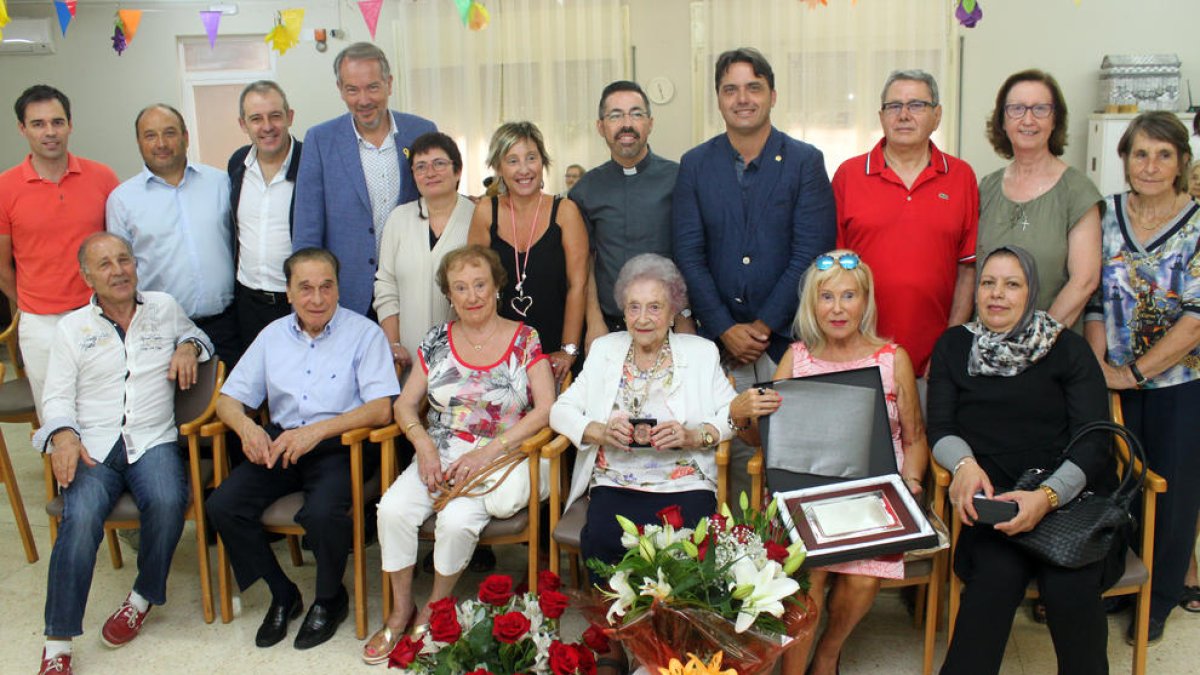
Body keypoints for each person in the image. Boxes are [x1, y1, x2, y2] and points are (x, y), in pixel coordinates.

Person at [550, 253, 741, 675]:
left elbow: (732, 416)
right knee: (599, 539)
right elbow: (560, 411)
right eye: (634, 307)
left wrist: (694, 435)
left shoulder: (701, 352)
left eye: (655, 307)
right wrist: (598, 430)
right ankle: (615, 647)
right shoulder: (603, 351)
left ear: (673, 310)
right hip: (616, 479)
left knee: (685, 551)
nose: (643, 317)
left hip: (683, 482)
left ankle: (663, 648)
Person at [739, 249, 929, 675]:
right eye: (827, 297)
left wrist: (912, 480)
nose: (838, 308)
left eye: (849, 296)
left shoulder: (892, 359)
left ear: (865, 302)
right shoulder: (798, 358)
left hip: (872, 498)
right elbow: (764, 438)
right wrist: (744, 415)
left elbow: (915, 438)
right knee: (811, 577)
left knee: (862, 578)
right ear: (813, 305)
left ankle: (828, 653)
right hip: (807, 497)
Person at [363, 245, 554, 664]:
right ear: (449, 294)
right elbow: (403, 405)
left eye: (480, 285)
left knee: (455, 521)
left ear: (497, 286)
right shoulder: (435, 340)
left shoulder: (525, 338)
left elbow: (544, 409)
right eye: (460, 288)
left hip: (499, 456)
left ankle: (435, 611)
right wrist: (425, 447)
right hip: (440, 452)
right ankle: (400, 612)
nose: (472, 296)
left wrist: (487, 453)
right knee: (391, 510)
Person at [33, 232, 212, 675]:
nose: (118, 271)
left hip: (152, 439)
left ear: (135, 265)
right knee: (80, 520)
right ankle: (57, 644)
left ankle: (141, 598)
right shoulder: (72, 329)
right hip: (93, 446)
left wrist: (189, 346)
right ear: (87, 276)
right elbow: (55, 398)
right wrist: (64, 436)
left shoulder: (164, 308)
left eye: (124, 260)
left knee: (170, 501)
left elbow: (200, 337)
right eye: (106, 264)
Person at [930, 246, 1113, 675]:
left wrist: (1047, 497)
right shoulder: (954, 347)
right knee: (994, 581)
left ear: (1031, 292)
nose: (998, 294)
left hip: (1069, 503)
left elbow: (1095, 441)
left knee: (1070, 587)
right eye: (989, 283)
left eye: (1012, 284)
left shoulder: (1067, 349)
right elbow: (939, 427)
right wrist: (964, 466)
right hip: (995, 506)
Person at [205, 248, 398, 651]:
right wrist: (245, 428)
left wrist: (318, 432)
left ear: (338, 289)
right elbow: (228, 399)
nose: (317, 298)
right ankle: (282, 593)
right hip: (281, 441)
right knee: (223, 504)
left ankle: (330, 599)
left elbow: (381, 409)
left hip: (341, 444)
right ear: (289, 293)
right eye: (305, 288)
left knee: (321, 512)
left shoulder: (364, 333)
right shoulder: (272, 335)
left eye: (326, 287)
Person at [672, 46, 836, 501]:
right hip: (719, 345)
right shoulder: (696, 165)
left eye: (753, 87)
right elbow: (688, 253)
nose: (742, 98)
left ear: (772, 95)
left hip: (789, 339)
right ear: (719, 100)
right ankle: (740, 554)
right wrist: (725, 328)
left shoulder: (805, 162)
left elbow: (811, 252)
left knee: (792, 455)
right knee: (733, 455)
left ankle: (794, 559)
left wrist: (761, 326)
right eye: (730, 89)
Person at [1083, 111, 1200, 644]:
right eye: (1139, 154)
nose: (1150, 166)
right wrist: (1101, 372)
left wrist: (1132, 374)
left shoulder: (1197, 224)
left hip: (1178, 386)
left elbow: (1196, 320)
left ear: (1181, 163)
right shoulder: (1104, 215)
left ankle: (1159, 600)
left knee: (1172, 496)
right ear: (1124, 159)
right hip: (1111, 379)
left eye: (1163, 155)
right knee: (1117, 485)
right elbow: (1091, 299)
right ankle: (1120, 581)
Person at [833, 70, 977, 376]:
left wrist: (949, 345)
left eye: (917, 105)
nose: (904, 115)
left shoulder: (962, 176)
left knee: (926, 426)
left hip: (934, 360)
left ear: (937, 115)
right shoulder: (849, 175)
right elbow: (834, 273)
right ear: (881, 116)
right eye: (894, 106)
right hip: (860, 354)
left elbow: (967, 269)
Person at [0, 85, 119, 421]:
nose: (49, 132)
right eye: (38, 124)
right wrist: (30, 300)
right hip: (41, 325)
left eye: (57, 121)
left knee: (106, 411)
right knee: (58, 417)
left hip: (99, 314)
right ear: (22, 129)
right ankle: (66, 475)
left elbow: (117, 247)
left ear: (70, 125)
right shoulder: (5, 188)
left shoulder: (102, 177)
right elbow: (2, 267)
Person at [293, 42, 438, 317]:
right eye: (352, 89)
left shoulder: (421, 131)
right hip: (345, 294)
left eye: (372, 87)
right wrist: (308, 303)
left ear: (389, 83)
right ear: (340, 89)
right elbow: (307, 230)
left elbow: (440, 205)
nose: (363, 100)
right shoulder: (320, 140)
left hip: (411, 291)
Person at [106, 103, 239, 365]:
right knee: (173, 406)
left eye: (169, 133)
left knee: (234, 403)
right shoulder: (122, 200)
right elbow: (120, 270)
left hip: (226, 325)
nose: (161, 143)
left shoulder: (220, 183)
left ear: (185, 137)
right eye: (150, 135)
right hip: (161, 331)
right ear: (139, 142)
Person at [977, 70, 1102, 330]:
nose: (1028, 119)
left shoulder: (1077, 191)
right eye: (1017, 109)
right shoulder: (986, 188)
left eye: (1040, 109)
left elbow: (1085, 280)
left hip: (1050, 346)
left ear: (1055, 119)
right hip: (987, 346)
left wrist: (1034, 340)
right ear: (1002, 120)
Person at [569, 80, 692, 341]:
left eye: (636, 114)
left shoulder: (680, 179)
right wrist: (593, 323)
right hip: (610, 326)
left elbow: (691, 254)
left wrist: (684, 316)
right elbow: (585, 264)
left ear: (650, 123)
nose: (627, 124)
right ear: (601, 127)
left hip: (670, 326)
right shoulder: (585, 190)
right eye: (615, 115)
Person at [468, 121, 589, 385]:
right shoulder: (486, 211)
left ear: (543, 162)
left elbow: (577, 285)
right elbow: (473, 285)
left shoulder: (565, 211)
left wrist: (568, 350)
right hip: (498, 352)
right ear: (499, 167)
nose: (524, 169)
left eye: (531, 158)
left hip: (556, 349)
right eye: (512, 160)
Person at [374, 132, 474, 376]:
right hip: (407, 359)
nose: (430, 173)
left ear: (458, 171)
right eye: (421, 167)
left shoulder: (477, 216)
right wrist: (393, 344)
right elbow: (386, 285)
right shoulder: (398, 219)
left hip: (465, 359)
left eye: (439, 164)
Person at [228, 81, 302, 355]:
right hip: (248, 303)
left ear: (290, 117)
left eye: (275, 116)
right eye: (256, 119)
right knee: (258, 389)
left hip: (298, 301)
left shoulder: (310, 163)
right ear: (243, 124)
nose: (267, 126)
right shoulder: (237, 164)